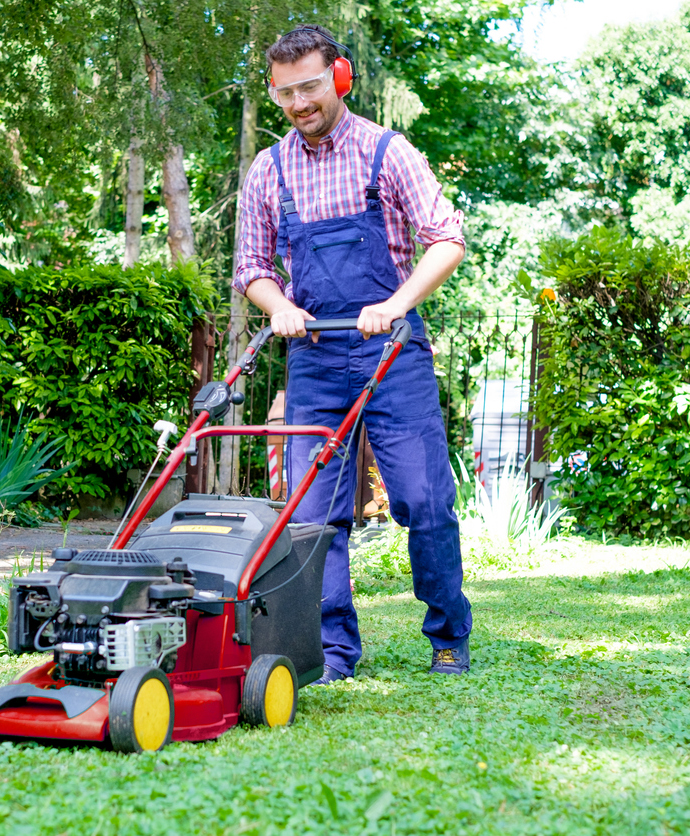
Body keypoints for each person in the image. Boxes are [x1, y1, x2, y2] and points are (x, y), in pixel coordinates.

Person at [234, 24, 472, 681]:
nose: (299, 103)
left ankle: (449, 636)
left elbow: (447, 239)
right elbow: (252, 266)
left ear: (338, 77)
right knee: (315, 515)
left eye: (310, 87)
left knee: (424, 499)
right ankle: (334, 651)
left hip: (392, 350)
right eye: (285, 93)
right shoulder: (268, 169)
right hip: (313, 355)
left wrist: (397, 304)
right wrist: (278, 307)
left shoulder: (386, 154)